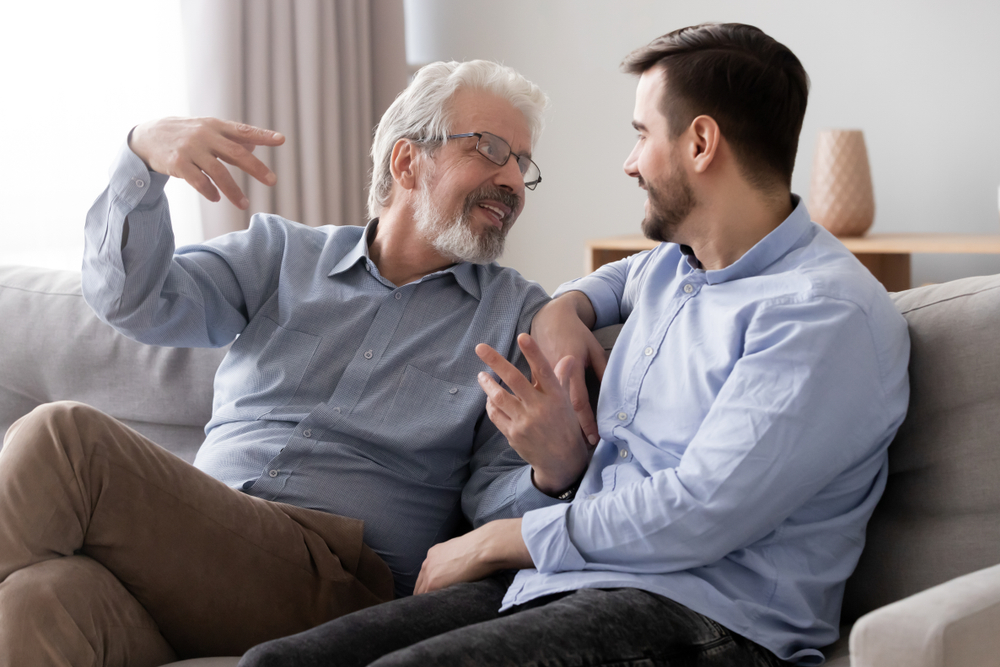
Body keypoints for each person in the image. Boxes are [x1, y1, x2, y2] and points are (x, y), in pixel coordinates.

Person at [239, 23, 910, 667]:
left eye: (642, 133)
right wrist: (565, 306)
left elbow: (702, 510)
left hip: (709, 617)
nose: (627, 162)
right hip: (568, 582)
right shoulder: (677, 266)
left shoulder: (821, 312)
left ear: (701, 143)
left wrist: (505, 538)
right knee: (277, 660)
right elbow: (612, 279)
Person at [0, 60, 584, 666]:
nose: (513, 181)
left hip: (338, 589)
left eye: (522, 162)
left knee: (64, 437)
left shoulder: (517, 318)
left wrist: (552, 474)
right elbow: (134, 301)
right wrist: (142, 156)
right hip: (192, 551)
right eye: (491, 150)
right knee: (40, 598)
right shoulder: (280, 254)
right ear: (407, 161)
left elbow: (494, 511)